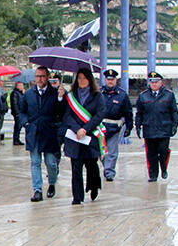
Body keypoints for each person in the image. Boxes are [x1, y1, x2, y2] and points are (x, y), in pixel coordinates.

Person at [18, 65, 65, 201]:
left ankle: (52, 183)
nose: (39, 79)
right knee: (35, 162)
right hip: (34, 132)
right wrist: (25, 123)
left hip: (49, 133)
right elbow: (22, 112)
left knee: (51, 162)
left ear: (47, 77)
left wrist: (61, 98)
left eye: (42, 76)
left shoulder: (55, 93)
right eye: (37, 76)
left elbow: (60, 113)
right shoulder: (28, 94)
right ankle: (37, 190)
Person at [62, 66, 105, 205]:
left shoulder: (97, 96)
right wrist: (77, 129)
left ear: (90, 80)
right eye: (79, 78)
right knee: (76, 167)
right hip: (75, 137)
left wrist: (85, 129)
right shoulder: (71, 96)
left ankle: (94, 186)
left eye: (84, 78)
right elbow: (67, 115)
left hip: (89, 136)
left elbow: (99, 115)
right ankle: (77, 196)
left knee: (91, 164)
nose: (82, 81)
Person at [135, 71, 178, 182]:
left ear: (161, 82)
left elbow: (174, 111)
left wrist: (175, 124)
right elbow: (139, 113)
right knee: (151, 153)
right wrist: (138, 125)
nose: (154, 84)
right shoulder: (143, 96)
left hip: (164, 128)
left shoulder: (169, 95)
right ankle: (153, 174)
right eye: (152, 82)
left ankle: (163, 168)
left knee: (163, 151)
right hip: (149, 129)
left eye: (156, 82)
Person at [98, 69, 133, 182]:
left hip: (114, 127)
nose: (110, 82)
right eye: (108, 79)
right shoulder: (98, 93)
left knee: (112, 152)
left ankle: (109, 172)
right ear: (105, 80)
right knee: (101, 151)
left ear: (116, 80)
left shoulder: (122, 95)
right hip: (99, 127)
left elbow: (128, 112)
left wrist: (129, 127)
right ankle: (106, 167)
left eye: (112, 79)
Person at [9, 80, 26, 145]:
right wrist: (17, 113)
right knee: (17, 126)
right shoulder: (14, 93)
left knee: (19, 127)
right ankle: (15, 140)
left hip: (21, 112)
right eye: (21, 85)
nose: (23, 87)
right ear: (18, 86)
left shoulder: (20, 93)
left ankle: (17, 139)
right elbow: (14, 104)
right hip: (18, 113)